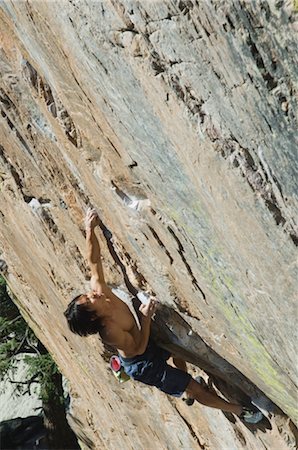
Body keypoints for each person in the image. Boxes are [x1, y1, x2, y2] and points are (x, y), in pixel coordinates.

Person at [64, 208, 262, 424]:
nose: (92, 294)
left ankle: (185, 387)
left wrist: (89, 229)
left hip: (142, 340)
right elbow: (138, 348)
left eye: (86, 295)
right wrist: (146, 317)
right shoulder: (110, 332)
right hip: (142, 364)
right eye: (89, 300)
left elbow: (94, 262)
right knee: (195, 389)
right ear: (94, 318)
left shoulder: (100, 291)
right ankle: (239, 411)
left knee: (178, 353)